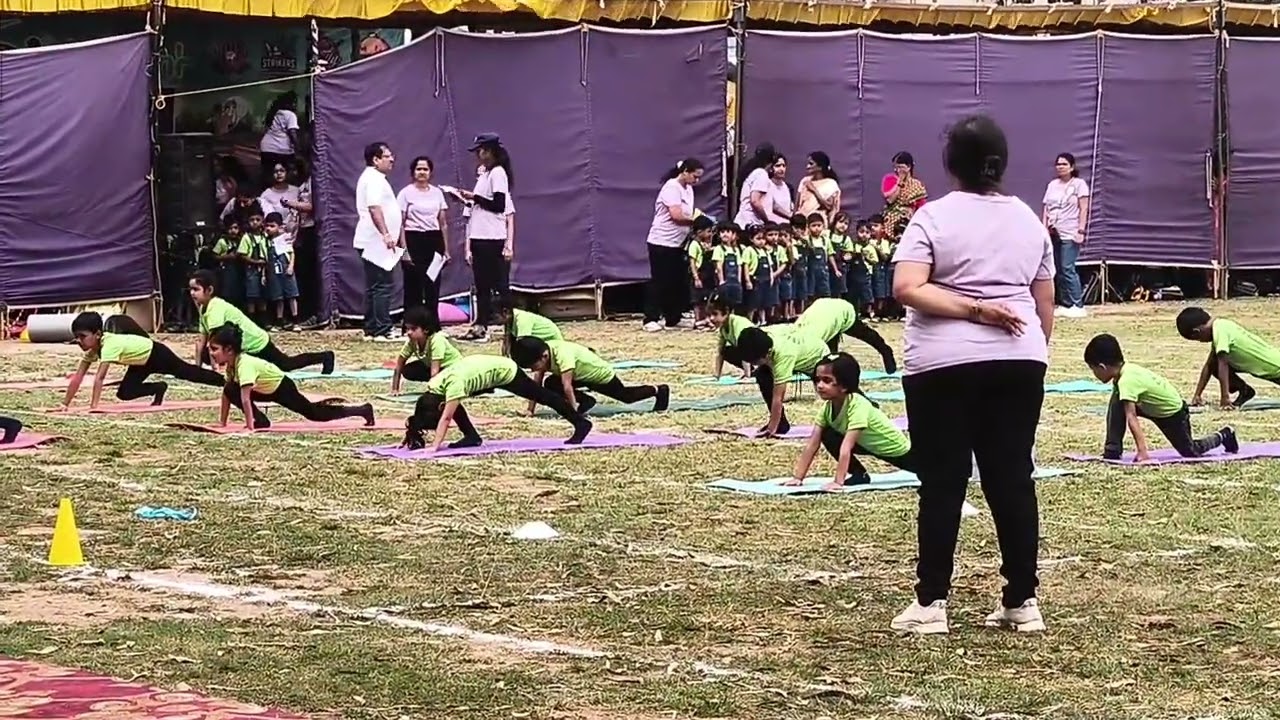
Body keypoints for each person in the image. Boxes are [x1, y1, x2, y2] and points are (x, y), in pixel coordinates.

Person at [891, 115, 1055, 635]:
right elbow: (1044, 301)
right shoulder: (1030, 220)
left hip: (943, 365)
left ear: (950, 166)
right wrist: (1030, 354)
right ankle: (1022, 601)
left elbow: (908, 286)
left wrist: (974, 313)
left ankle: (931, 602)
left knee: (943, 481)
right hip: (1019, 361)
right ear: (1001, 164)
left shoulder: (932, 217)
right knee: (1012, 479)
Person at [1084, 333, 1237, 462]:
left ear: (1102, 367)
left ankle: (1224, 435)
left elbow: (1131, 417)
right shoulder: (1123, 373)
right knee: (1117, 400)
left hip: (1172, 413)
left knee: (1191, 451)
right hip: (1149, 406)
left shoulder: (1127, 380)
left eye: (1093, 369)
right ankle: (1113, 449)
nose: (1094, 374)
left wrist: (1142, 452)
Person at [401, 355, 592, 453]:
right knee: (455, 403)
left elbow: (446, 417)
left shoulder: (452, 387)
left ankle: (580, 423)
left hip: (504, 370)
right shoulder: (434, 387)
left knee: (543, 396)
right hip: (482, 368)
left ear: (439, 407)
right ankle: (472, 437)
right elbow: (444, 411)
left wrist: (435, 446)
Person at [784, 353, 916, 490]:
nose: (819, 385)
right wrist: (798, 478)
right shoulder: (827, 408)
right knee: (828, 434)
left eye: (827, 380)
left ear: (844, 386)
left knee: (930, 472)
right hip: (867, 445)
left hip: (897, 452)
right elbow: (812, 444)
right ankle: (859, 474)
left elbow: (846, 447)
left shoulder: (858, 405)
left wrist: (838, 482)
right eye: (817, 380)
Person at [208, 324, 374, 431]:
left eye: (215, 349)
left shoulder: (245, 364)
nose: (211, 353)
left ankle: (362, 410)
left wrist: (248, 427)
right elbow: (227, 394)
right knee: (230, 388)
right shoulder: (231, 364)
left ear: (229, 350)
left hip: (281, 387)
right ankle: (261, 421)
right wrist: (222, 423)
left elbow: (245, 399)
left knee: (314, 413)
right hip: (264, 389)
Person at [59, 312, 225, 411]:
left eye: (82, 336)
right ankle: (159, 388)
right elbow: (78, 377)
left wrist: (94, 407)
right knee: (124, 393)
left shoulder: (109, 345)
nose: (78, 341)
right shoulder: (93, 349)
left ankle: (224, 382)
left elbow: (100, 378)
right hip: (140, 362)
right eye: (76, 337)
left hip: (156, 354)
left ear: (97, 334)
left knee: (189, 373)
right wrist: (65, 404)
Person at [189, 270, 334, 373]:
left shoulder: (216, 307)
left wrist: (216, 371)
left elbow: (215, 343)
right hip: (242, 348)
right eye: (190, 289)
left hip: (256, 343)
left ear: (209, 290)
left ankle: (325, 357)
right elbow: (201, 342)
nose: (192, 293)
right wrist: (196, 370)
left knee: (286, 365)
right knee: (207, 355)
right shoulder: (204, 309)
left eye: (196, 289)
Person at [510, 336, 671, 415]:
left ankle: (659, 390)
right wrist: (529, 410)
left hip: (598, 374)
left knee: (626, 396)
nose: (533, 369)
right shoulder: (543, 353)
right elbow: (535, 386)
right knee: (550, 383)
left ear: (544, 356)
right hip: (580, 376)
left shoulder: (562, 354)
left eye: (533, 366)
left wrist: (573, 412)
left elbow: (567, 387)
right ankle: (586, 401)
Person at [458, 134, 515, 342]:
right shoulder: (484, 175)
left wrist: (475, 198)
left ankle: (512, 325)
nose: (478, 156)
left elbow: (499, 206)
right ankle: (481, 326)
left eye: (480, 151)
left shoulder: (498, 173)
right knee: (481, 285)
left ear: (489, 151)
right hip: (480, 236)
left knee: (499, 284)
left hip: (493, 237)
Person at [643, 158, 704, 333]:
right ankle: (651, 317)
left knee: (676, 281)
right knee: (660, 280)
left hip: (679, 243)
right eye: (695, 176)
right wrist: (697, 221)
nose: (696, 180)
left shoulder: (689, 190)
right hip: (661, 242)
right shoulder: (671, 187)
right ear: (685, 171)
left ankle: (673, 317)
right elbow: (676, 215)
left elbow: (688, 212)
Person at [734, 325, 830, 437]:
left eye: (755, 361)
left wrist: (771, 429)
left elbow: (778, 397)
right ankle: (781, 423)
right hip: (799, 349)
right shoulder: (762, 338)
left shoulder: (783, 356)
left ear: (767, 354)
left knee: (827, 390)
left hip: (817, 357)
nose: (754, 364)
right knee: (762, 375)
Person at [1176, 307, 1280, 408]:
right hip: (1274, 370)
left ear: (1197, 332)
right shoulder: (1222, 325)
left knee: (1218, 364)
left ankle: (1244, 391)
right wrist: (1197, 395)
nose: (1201, 341)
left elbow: (1223, 365)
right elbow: (1209, 365)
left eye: (1198, 339)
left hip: (1276, 370)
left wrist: (1225, 398)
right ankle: (1245, 391)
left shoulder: (1220, 332)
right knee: (1214, 364)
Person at [354, 141, 402, 342]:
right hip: (375, 241)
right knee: (382, 284)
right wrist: (386, 234)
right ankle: (382, 328)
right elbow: (375, 208)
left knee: (375, 285)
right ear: (375, 159)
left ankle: (373, 328)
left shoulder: (374, 178)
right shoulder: (373, 179)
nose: (392, 159)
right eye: (387, 156)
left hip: (372, 240)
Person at [397, 155, 451, 324]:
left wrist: (446, 249)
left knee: (432, 285)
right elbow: (401, 223)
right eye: (419, 169)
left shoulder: (437, 193)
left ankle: (432, 325)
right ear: (413, 172)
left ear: (431, 172)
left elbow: (443, 223)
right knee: (413, 286)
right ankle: (411, 325)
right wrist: (404, 250)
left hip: (434, 241)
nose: (422, 172)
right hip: (413, 240)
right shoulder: (405, 193)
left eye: (425, 169)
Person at [1043, 153, 1091, 318]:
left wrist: (1081, 230)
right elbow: (1046, 208)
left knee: (1067, 267)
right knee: (1058, 269)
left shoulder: (1079, 184)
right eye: (1058, 164)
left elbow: (1084, 208)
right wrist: (1044, 228)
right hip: (1054, 231)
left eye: (1064, 164)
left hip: (1070, 232)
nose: (1060, 167)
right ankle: (1066, 303)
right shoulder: (1052, 185)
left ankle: (1078, 304)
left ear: (1071, 167)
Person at [793, 297, 897, 373]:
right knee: (830, 354)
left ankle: (885, 350)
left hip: (840, 310)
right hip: (822, 312)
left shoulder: (811, 345)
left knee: (864, 333)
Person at [389, 305, 461, 395]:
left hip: (453, 369)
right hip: (436, 369)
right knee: (408, 370)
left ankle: (444, 387)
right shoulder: (412, 342)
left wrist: (432, 391)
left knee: (442, 376)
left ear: (426, 330)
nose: (409, 332)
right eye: (407, 329)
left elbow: (435, 370)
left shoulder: (437, 340)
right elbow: (399, 365)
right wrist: (395, 389)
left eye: (413, 329)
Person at [263, 212, 299, 329]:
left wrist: (290, 267)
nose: (269, 228)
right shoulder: (266, 241)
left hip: (286, 270)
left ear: (279, 227)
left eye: (272, 226)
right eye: (267, 226)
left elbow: (291, 253)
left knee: (291, 295)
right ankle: (280, 320)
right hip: (273, 272)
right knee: (278, 297)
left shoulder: (284, 239)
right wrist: (264, 274)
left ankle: (295, 320)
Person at [707, 291, 755, 378]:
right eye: (710, 315)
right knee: (725, 351)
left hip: (759, 352)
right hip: (751, 354)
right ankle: (753, 371)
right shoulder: (723, 329)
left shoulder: (737, 324)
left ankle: (753, 371)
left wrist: (747, 376)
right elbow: (720, 354)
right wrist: (717, 375)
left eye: (715, 314)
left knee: (742, 347)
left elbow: (745, 348)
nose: (711, 318)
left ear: (726, 312)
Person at [258, 91, 299, 186]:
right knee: (287, 175)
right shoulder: (290, 114)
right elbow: (292, 132)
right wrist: (298, 148)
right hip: (282, 149)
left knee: (269, 176)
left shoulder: (275, 113)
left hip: (267, 148)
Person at [734, 143, 780, 228]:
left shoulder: (755, 173)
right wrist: (767, 221)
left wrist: (789, 216)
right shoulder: (761, 174)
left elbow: (773, 205)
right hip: (751, 224)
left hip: (746, 222)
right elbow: (755, 201)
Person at [881, 151, 928, 232]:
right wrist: (900, 182)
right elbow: (890, 200)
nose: (896, 170)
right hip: (891, 224)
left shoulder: (917, 185)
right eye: (895, 167)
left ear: (909, 167)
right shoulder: (890, 179)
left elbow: (921, 208)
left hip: (910, 224)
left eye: (900, 167)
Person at [796, 151, 842, 225]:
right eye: (808, 163)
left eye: (811, 164)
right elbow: (797, 205)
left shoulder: (830, 183)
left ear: (820, 167)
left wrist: (814, 190)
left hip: (818, 224)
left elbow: (829, 206)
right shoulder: (805, 181)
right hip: (801, 222)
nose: (807, 166)